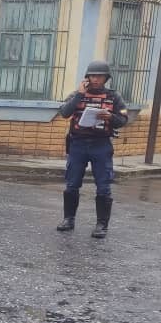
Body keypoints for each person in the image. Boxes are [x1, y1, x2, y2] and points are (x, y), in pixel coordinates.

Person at [57, 60, 128, 239]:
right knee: (72, 184)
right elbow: (64, 112)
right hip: (78, 144)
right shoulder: (76, 94)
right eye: (92, 76)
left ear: (106, 78)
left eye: (100, 76)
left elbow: (123, 121)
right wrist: (80, 95)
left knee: (103, 186)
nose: (96, 79)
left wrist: (110, 117)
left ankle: (101, 225)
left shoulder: (114, 97)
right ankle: (68, 219)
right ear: (87, 77)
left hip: (101, 145)